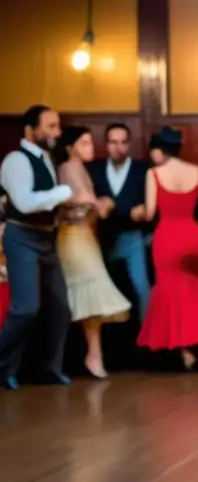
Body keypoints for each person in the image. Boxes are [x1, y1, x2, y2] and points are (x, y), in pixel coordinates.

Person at [137, 127, 198, 370]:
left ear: (159, 150)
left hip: (168, 235)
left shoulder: (154, 174)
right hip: (193, 236)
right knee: (191, 289)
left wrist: (135, 211)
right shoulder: (197, 172)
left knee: (170, 292)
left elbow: (149, 213)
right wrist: (193, 224)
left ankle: (185, 350)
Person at [0, 105, 73, 390]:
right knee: (26, 308)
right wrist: (66, 193)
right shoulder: (15, 161)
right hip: (22, 238)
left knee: (60, 307)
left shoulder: (46, 157)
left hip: (47, 238)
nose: (57, 131)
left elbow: (45, 202)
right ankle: (3, 367)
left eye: (57, 125)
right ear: (31, 129)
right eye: (51, 126)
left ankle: (47, 369)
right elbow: (25, 203)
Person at [53, 127, 132, 379]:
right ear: (71, 147)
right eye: (85, 143)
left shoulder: (78, 168)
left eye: (91, 143)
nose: (91, 148)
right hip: (74, 238)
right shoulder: (70, 167)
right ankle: (87, 356)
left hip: (83, 237)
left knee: (86, 295)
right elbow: (89, 204)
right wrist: (104, 203)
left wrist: (99, 205)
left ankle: (91, 355)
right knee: (88, 291)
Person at [87, 123, 152, 318]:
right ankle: (106, 340)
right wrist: (128, 211)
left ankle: (148, 340)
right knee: (100, 290)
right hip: (101, 239)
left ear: (129, 144)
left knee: (142, 288)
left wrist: (112, 207)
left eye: (123, 142)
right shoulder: (94, 169)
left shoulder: (143, 169)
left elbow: (149, 209)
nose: (118, 147)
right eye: (113, 142)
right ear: (105, 144)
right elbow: (93, 208)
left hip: (133, 237)